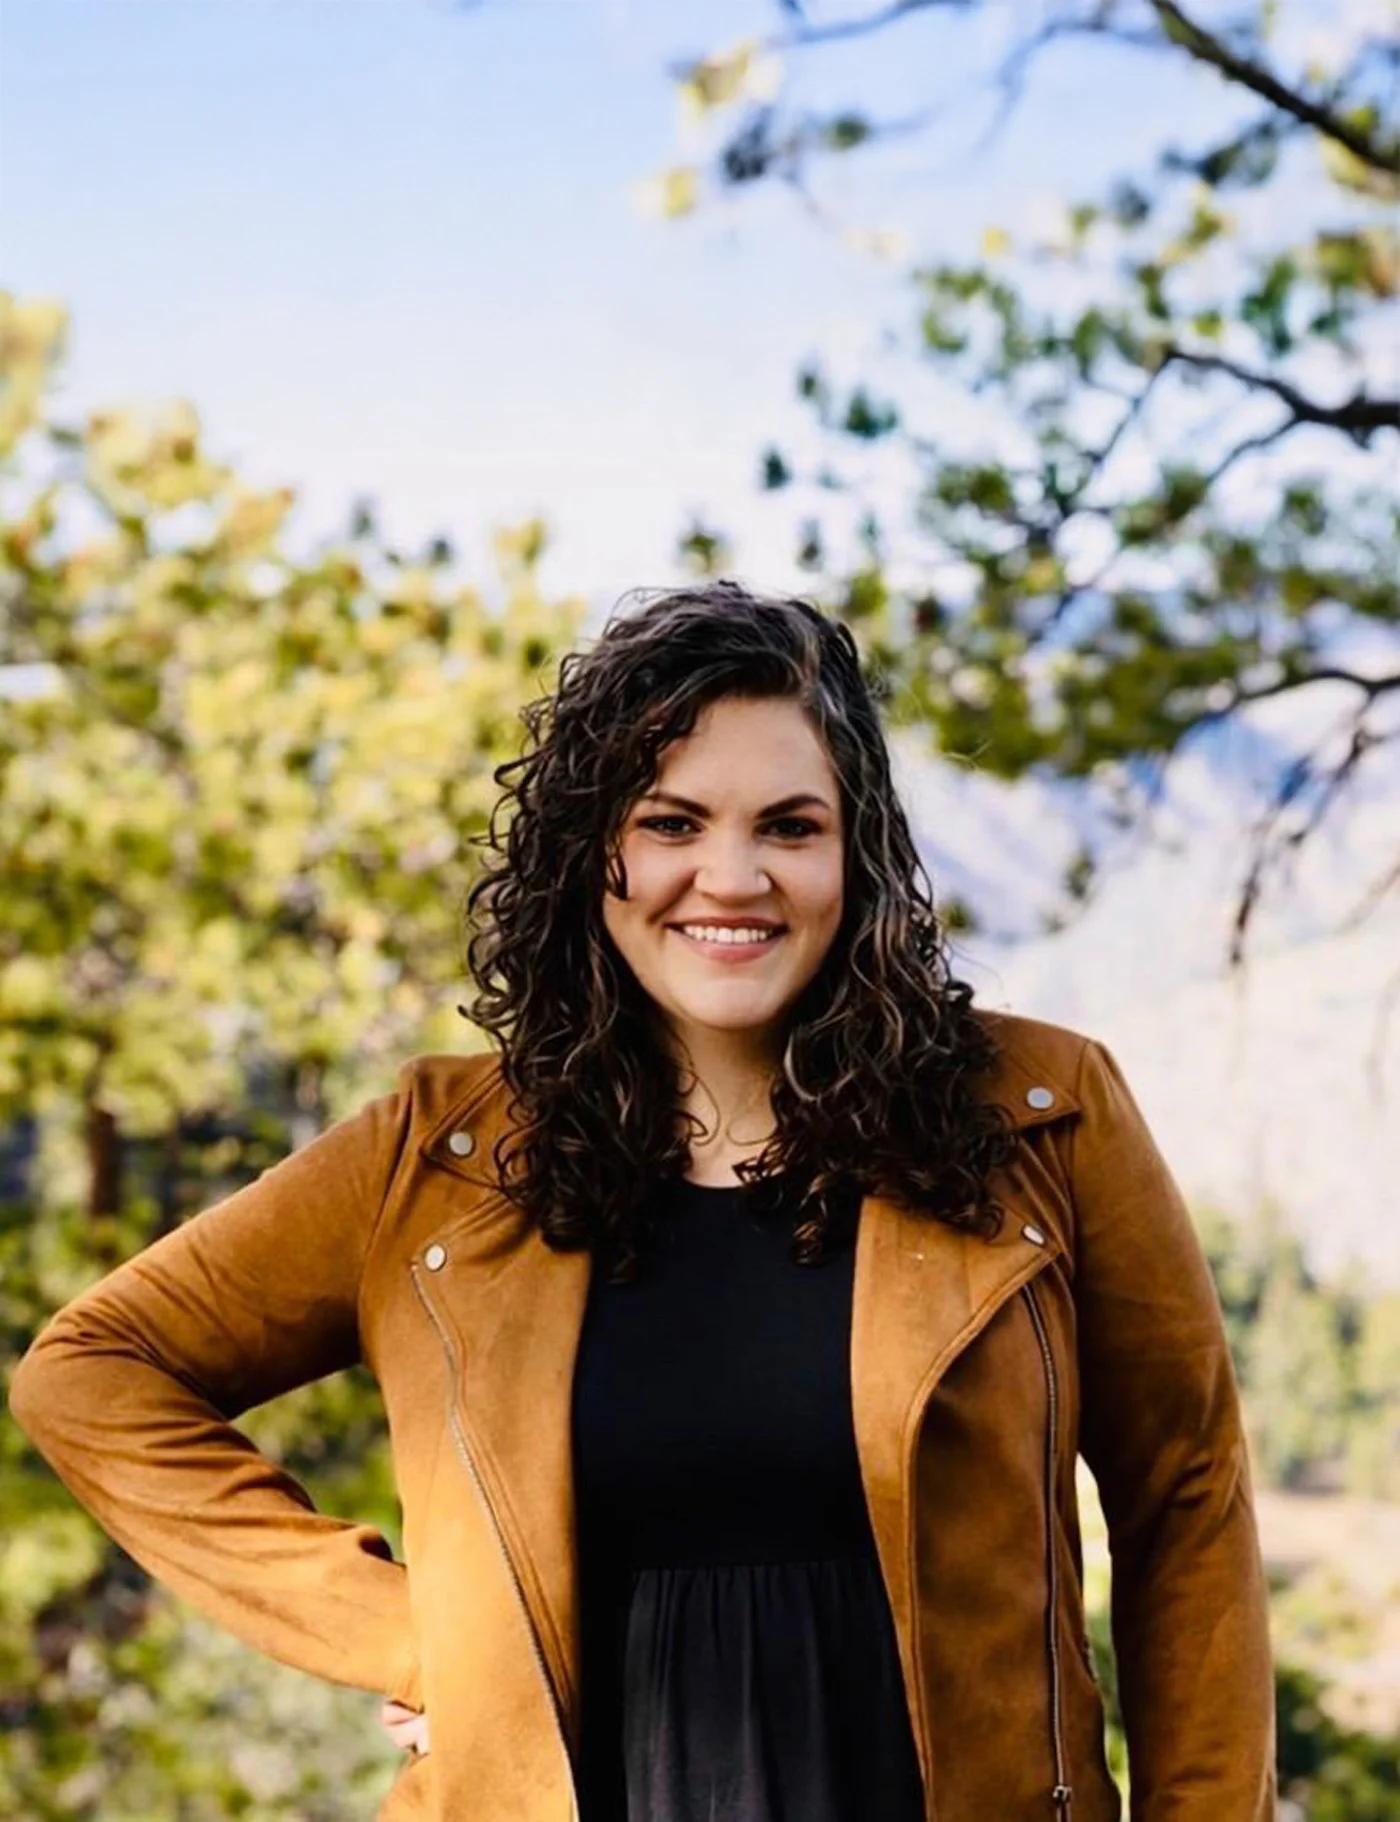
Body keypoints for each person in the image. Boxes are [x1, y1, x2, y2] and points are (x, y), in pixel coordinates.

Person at [9, 579, 1277, 1822]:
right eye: (670, 822)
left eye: (788, 825)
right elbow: (94, 1370)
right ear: (591, 849)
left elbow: (1183, 1497)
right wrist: (413, 1638)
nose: (730, 877)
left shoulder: (1041, 1113)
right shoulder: (434, 1153)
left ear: (857, 853)